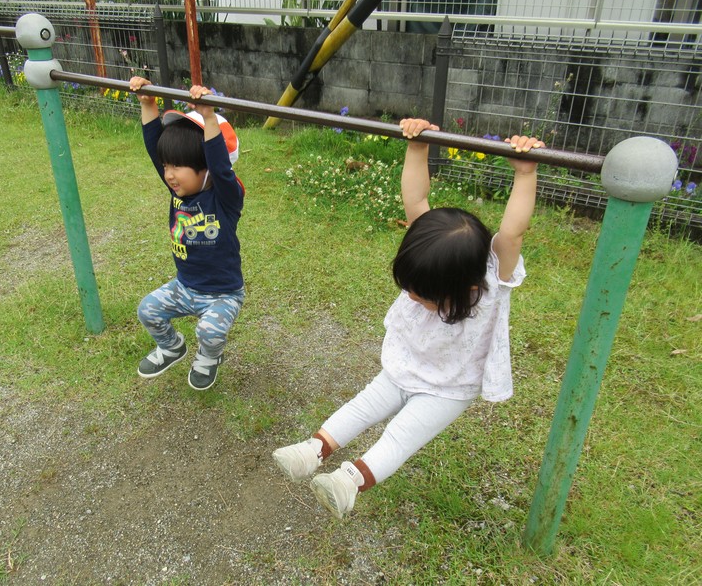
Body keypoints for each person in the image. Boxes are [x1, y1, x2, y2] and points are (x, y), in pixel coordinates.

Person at [273, 118, 544, 518]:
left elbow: (513, 232)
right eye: (410, 290)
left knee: (401, 434)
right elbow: (416, 201)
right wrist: (417, 146)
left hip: (448, 387)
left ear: (465, 288)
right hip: (407, 363)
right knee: (364, 404)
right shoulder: (430, 261)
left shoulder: (493, 278)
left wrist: (525, 173)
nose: (413, 299)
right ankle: (312, 450)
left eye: (424, 296)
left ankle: (348, 483)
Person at [129, 76, 245, 390]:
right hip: (184, 287)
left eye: (177, 166)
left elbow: (220, 168)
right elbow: (154, 149)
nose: (169, 174)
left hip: (222, 293)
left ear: (206, 168)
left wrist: (209, 117)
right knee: (147, 310)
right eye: (167, 166)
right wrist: (148, 104)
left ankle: (209, 357)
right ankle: (172, 347)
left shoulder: (225, 198)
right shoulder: (178, 190)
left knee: (210, 332)